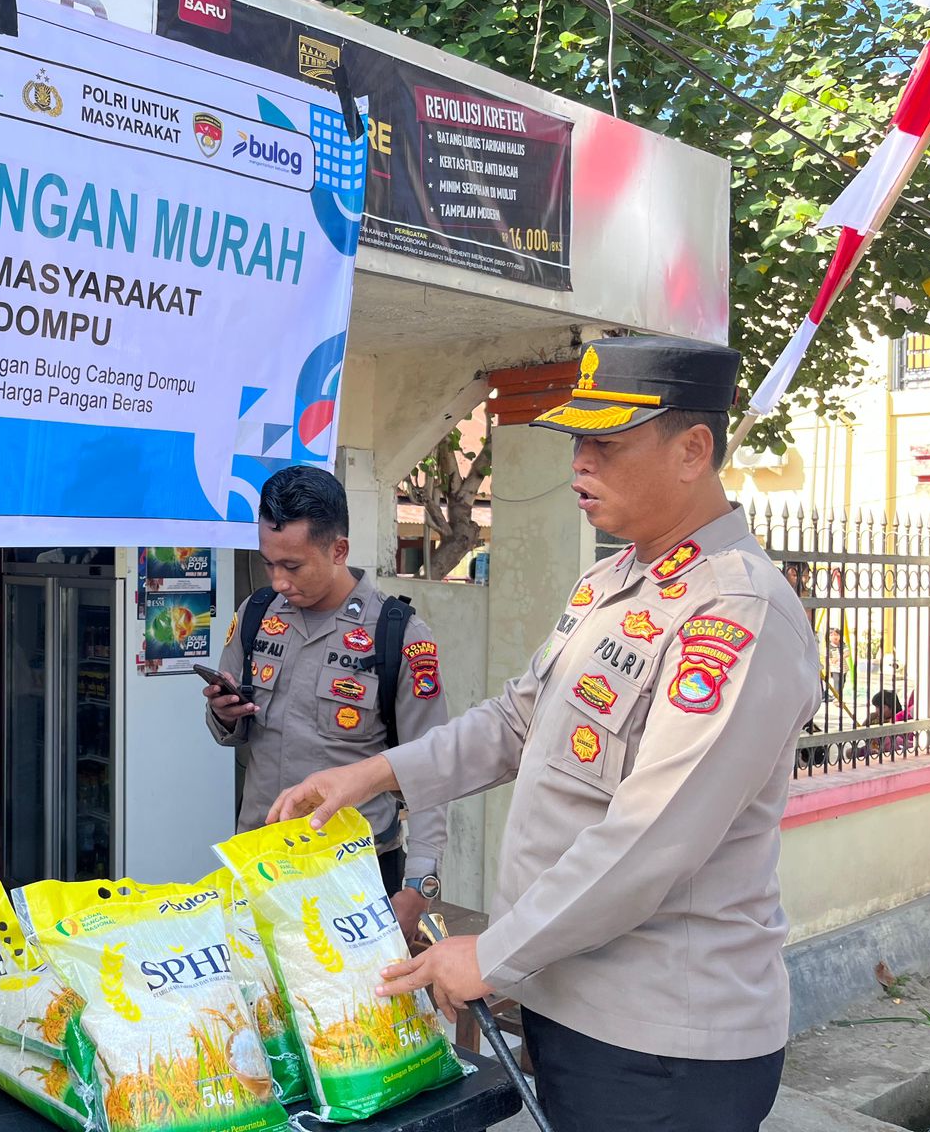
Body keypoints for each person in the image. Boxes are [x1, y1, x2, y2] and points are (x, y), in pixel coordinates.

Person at [268, 336, 820, 1132]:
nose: (579, 464)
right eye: (576, 442)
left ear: (692, 451)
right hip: (571, 1001)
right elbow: (515, 719)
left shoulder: (734, 612)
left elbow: (653, 835)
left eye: (607, 444)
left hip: (661, 1042)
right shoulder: (612, 583)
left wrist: (493, 954)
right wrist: (373, 774)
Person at [203, 465, 450, 928]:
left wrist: (420, 884)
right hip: (259, 859)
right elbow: (231, 731)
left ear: (339, 550)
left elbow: (432, 765)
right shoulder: (257, 614)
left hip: (354, 872)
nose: (278, 581)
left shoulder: (397, 634)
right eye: (269, 563)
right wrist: (225, 714)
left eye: (293, 566)